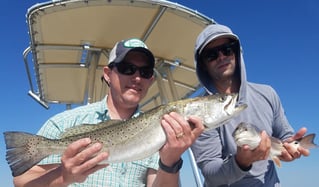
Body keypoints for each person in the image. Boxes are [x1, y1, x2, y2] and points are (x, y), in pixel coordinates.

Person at [13, 38, 204, 187]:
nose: (137, 78)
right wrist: (64, 176)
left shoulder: (162, 131)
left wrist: (170, 162)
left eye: (145, 72)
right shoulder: (63, 123)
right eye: (127, 69)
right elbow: (22, 181)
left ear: (151, 80)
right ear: (107, 74)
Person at [190, 23, 310, 187]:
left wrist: (291, 146)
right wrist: (241, 162)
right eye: (211, 55)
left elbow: (284, 135)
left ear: (237, 52)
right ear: (202, 64)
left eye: (227, 49)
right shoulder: (199, 112)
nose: (221, 57)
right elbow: (211, 172)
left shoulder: (268, 94)